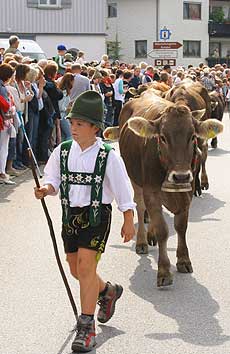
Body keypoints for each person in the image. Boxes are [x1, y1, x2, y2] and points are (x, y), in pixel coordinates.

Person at [34, 90, 136, 352]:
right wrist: (46, 189)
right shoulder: (63, 150)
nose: (73, 127)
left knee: (86, 266)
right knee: (76, 270)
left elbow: (123, 189)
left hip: (96, 216)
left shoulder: (107, 156)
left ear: (94, 127)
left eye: (79, 123)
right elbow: (53, 179)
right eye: (72, 122)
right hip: (70, 216)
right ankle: (107, 291)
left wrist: (128, 218)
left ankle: (86, 327)